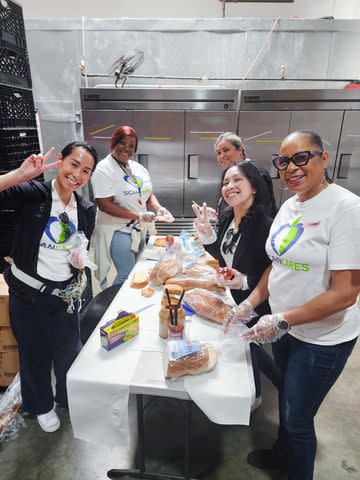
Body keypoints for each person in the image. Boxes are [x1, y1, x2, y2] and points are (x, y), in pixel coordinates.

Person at [231, 130, 360, 480]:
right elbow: (278, 261)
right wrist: (253, 302)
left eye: (301, 157)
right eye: (283, 161)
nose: (291, 168)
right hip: (286, 326)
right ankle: (281, 454)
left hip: (322, 338)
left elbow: (346, 293)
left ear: (324, 158)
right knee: (287, 398)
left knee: (298, 417)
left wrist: (283, 320)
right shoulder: (291, 204)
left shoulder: (346, 208)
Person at [0, 142, 98, 433]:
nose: (77, 174)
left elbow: (81, 244)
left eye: (86, 171)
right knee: (34, 355)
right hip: (27, 296)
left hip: (64, 297)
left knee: (69, 352)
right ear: (60, 162)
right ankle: (41, 405)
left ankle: (68, 398)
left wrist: (80, 259)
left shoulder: (86, 208)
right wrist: (19, 175)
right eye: (73, 164)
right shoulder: (36, 194)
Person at [192, 160, 280, 404]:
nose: (229, 186)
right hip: (233, 297)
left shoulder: (266, 226)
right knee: (246, 345)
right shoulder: (229, 216)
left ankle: (256, 397)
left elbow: (275, 274)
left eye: (237, 180)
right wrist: (207, 235)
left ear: (254, 186)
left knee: (247, 344)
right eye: (226, 182)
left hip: (257, 303)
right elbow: (223, 259)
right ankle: (275, 381)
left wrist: (245, 281)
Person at [91, 125, 174, 289]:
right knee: (126, 274)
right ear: (114, 142)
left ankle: (131, 307)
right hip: (117, 230)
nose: (126, 149)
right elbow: (104, 204)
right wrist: (139, 216)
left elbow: (147, 194)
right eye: (122, 143)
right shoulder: (103, 169)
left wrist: (158, 208)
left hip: (139, 227)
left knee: (138, 271)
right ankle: (114, 310)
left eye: (131, 146)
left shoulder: (137, 168)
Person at [214, 132, 278, 218]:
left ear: (240, 150)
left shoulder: (256, 172)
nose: (222, 156)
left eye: (226, 150)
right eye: (218, 153)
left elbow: (263, 209)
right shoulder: (228, 172)